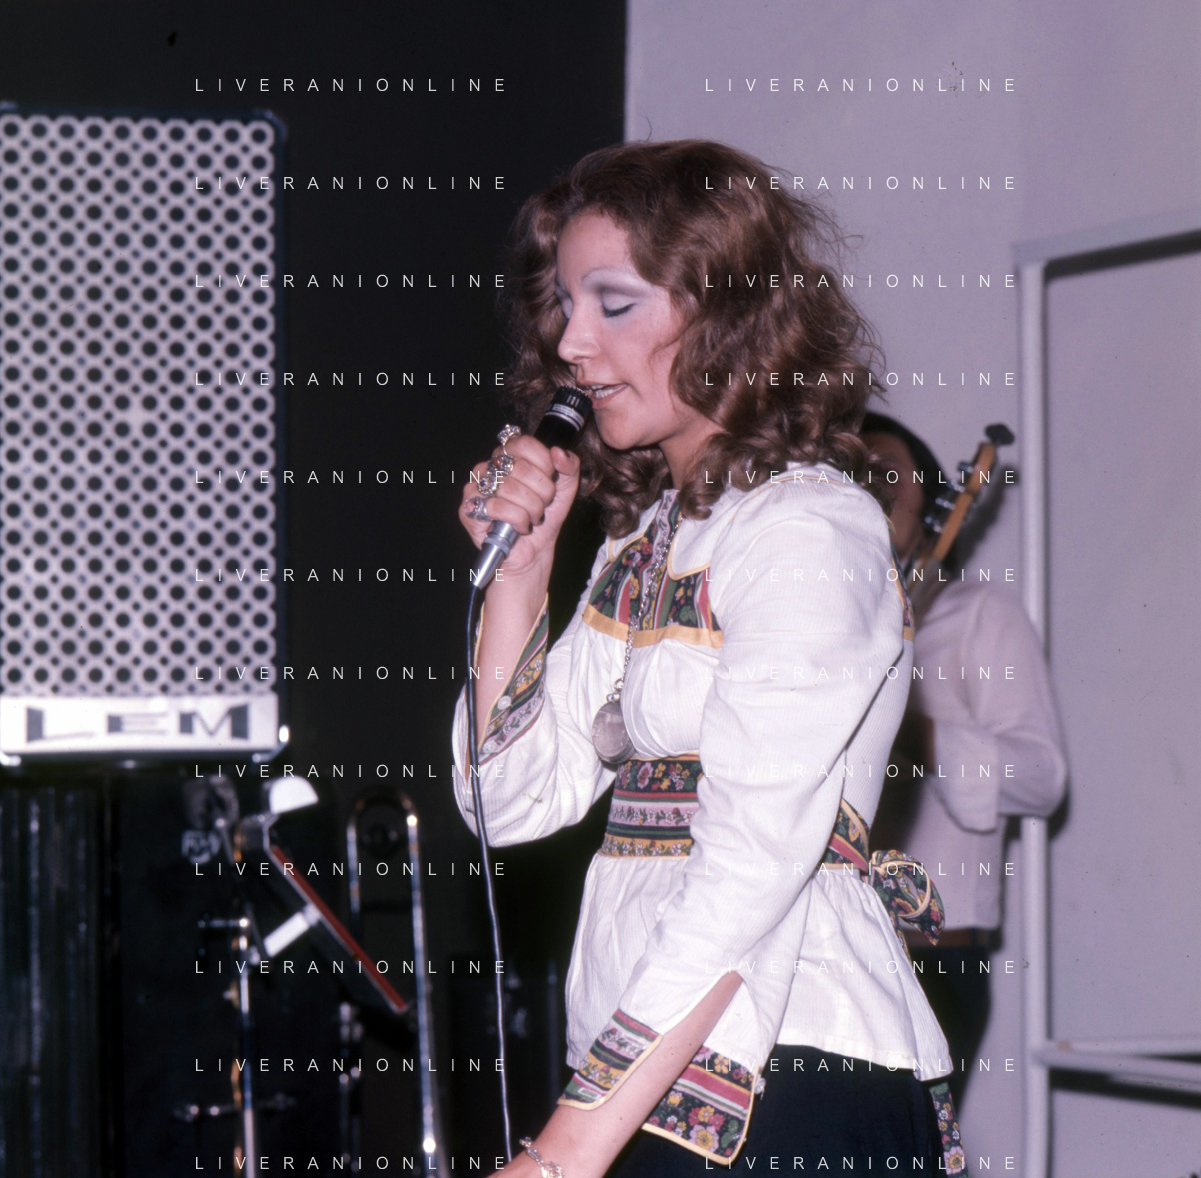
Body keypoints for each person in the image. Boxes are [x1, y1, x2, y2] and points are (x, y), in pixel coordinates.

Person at [451, 141, 962, 1178]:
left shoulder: (808, 525)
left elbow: (749, 863)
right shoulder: (646, 540)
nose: (572, 343)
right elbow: (507, 798)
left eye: (614, 303)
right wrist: (520, 575)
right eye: (564, 305)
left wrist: (563, 1151)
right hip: (648, 1076)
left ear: (726, 314)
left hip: (786, 1069)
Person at [860, 411, 1068, 1106]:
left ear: (931, 498)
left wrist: (913, 728)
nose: (867, 484)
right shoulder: (827, 633)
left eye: (885, 471)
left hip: (931, 958)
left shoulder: (979, 614)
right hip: (826, 957)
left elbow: (1042, 779)